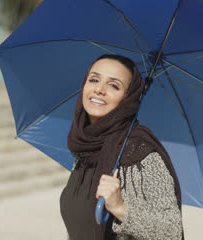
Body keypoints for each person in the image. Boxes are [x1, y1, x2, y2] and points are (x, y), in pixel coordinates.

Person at [60, 54, 184, 240]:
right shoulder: (86, 148)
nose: (99, 89)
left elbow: (171, 231)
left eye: (114, 85)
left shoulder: (139, 153)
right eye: (94, 79)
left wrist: (120, 207)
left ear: (128, 98)